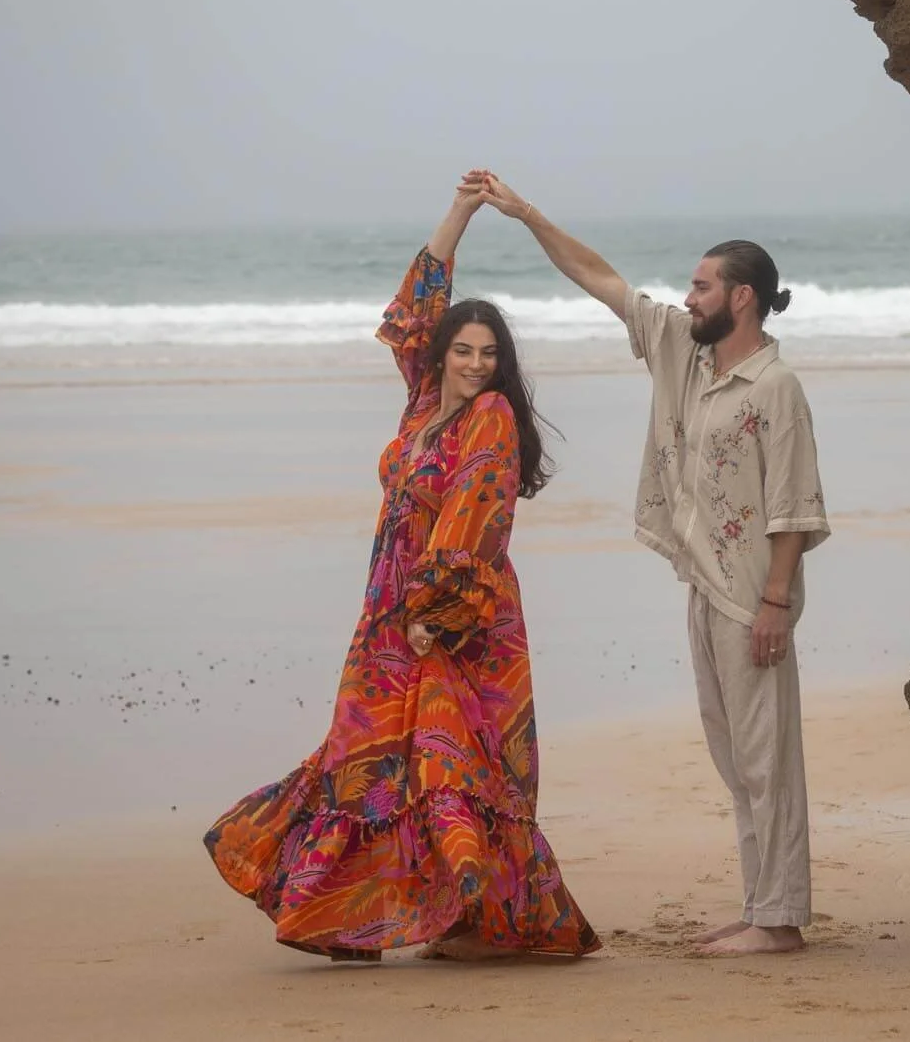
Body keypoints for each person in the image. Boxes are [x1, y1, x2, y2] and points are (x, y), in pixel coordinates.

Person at [204, 179, 601, 964]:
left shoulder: (490, 419)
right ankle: (347, 918)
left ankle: (475, 917)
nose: (477, 365)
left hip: (456, 617)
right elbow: (413, 307)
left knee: (451, 762)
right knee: (369, 753)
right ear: (443, 354)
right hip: (388, 609)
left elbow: (477, 518)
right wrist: (463, 212)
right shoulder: (423, 401)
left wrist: (436, 616)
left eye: (490, 355)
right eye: (464, 350)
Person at [465, 169, 829, 958]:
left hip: (752, 599)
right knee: (737, 760)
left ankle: (782, 920)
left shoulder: (778, 386)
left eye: (702, 286)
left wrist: (775, 603)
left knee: (768, 759)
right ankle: (762, 905)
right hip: (702, 582)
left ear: (741, 297)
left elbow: (794, 506)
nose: (688, 296)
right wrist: (527, 213)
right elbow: (602, 279)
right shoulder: (683, 353)